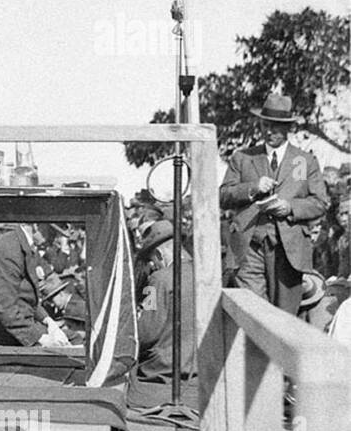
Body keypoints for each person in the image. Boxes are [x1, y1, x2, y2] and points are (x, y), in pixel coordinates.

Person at [219, 93, 329, 316]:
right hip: (249, 248)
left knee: (284, 318)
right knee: (254, 313)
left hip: (289, 251)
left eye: (276, 127)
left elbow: (320, 202)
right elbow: (223, 196)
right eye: (265, 125)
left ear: (289, 129)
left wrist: (290, 207)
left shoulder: (304, 161)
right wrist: (252, 188)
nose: (269, 131)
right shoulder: (243, 158)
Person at [0, 224, 69, 347]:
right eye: (51, 232)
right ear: (36, 225)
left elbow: (26, 298)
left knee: (71, 339)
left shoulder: (25, 246)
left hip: (12, 330)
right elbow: (7, 309)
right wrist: (41, 338)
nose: (54, 238)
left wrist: (48, 321)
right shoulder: (9, 251)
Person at [133, 220, 196, 391]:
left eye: (153, 260)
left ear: (160, 254)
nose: (154, 266)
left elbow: (146, 332)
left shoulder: (157, 279)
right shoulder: (203, 275)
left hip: (164, 371)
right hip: (197, 370)